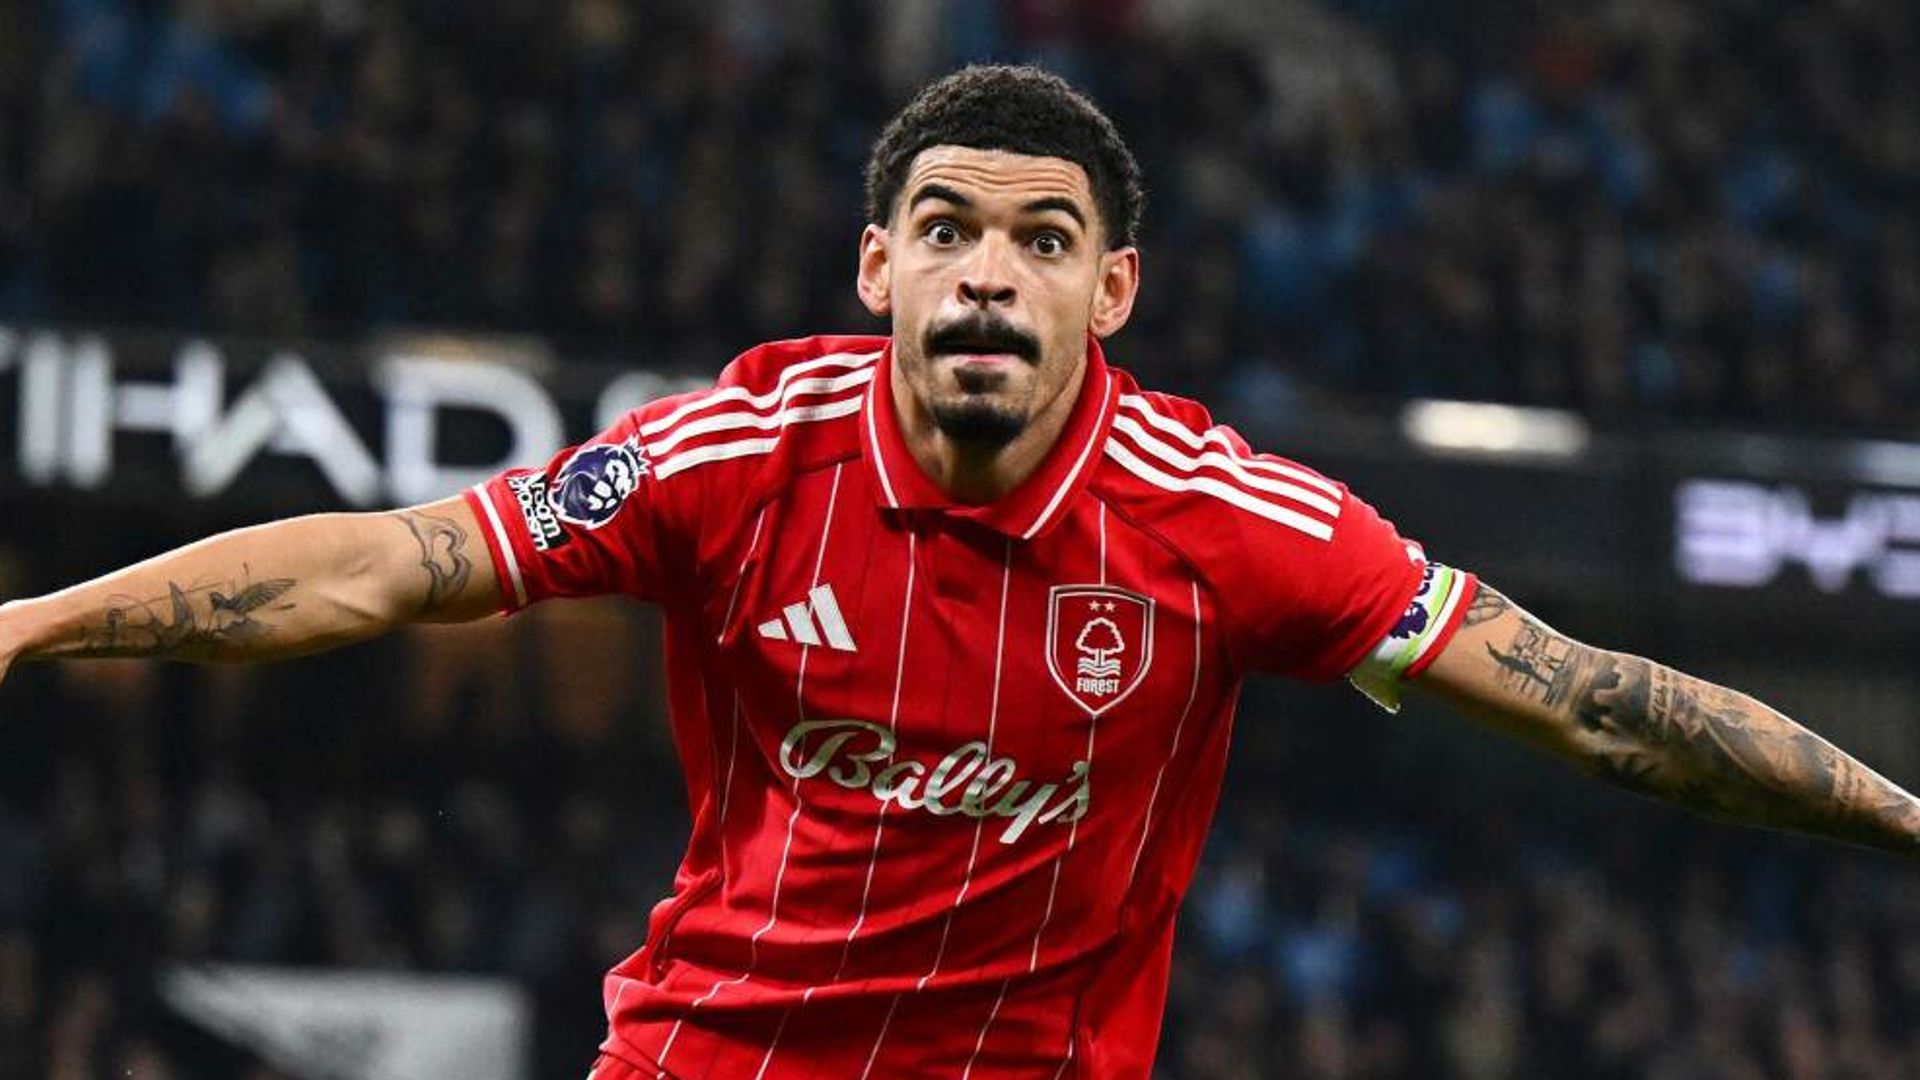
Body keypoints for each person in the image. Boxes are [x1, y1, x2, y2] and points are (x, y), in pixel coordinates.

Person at [2, 65, 1916, 1080]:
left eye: (1042, 239)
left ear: (1113, 290)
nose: (990, 270)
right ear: (879, 268)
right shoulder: (731, 456)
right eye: (947, 228)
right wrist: (30, 622)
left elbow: (1590, 705)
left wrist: (1908, 823)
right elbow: (387, 565)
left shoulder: (1231, 522)